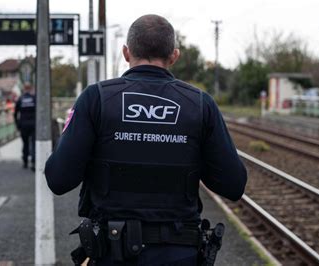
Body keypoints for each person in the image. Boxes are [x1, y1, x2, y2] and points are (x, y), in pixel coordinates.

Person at [45, 14, 247, 265]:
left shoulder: (95, 98)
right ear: (174, 56)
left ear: (126, 53)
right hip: (180, 254)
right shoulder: (200, 105)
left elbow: (58, 178)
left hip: (112, 253)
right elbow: (233, 185)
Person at [14, 84, 36, 171]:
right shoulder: (34, 99)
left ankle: (25, 161)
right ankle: (34, 162)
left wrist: (17, 124)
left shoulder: (20, 99)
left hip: (23, 125)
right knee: (34, 144)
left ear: (23, 89)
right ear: (30, 89)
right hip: (33, 124)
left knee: (25, 144)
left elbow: (15, 113)